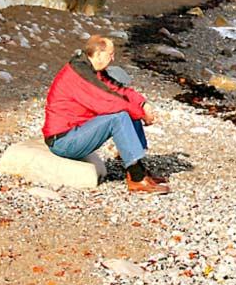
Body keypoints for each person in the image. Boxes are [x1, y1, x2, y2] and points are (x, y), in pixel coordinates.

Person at [43, 34, 170, 194]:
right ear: (97, 54)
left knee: (128, 110)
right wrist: (141, 114)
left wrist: (143, 104)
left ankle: (138, 167)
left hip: (77, 131)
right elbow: (108, 101)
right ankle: (137, 179)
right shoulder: (79, 74)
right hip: (63, 141)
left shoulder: (91, 70)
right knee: (120, 115)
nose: (113, 58)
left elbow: (118, 89)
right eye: (110, 54)